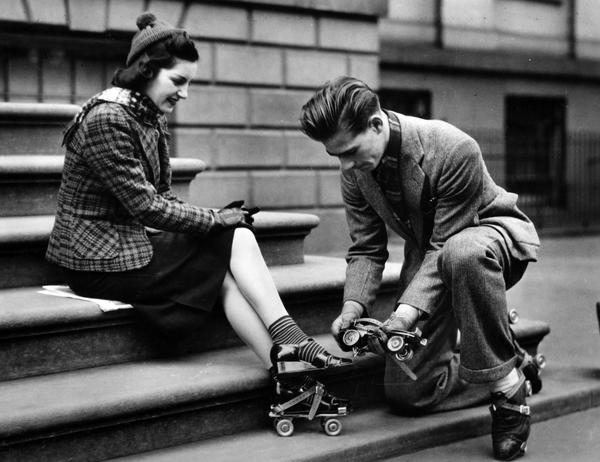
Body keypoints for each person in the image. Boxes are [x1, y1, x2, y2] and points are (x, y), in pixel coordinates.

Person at [46, 13, 350, 385]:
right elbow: (146, 206)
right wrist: (213, 221)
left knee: (230, 251)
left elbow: (163, 195)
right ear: (146, 71)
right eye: (177, 81)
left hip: (127, 245)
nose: (184, 93)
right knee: (229, 245)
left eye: (188, 83)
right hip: (97, 261)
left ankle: (285, 368)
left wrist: (214, 220)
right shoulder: (107, 119)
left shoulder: (148, 115)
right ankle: (289, 345)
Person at [299, 76, 541, 460]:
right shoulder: (356, 171)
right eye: (336, 156)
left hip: (487, 243)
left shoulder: (452, 146)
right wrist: (353, 308)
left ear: (376, 124)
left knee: (461, 254)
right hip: (431, 260)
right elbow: (366, 247)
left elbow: (447, 243)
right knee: (409, 392)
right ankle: (513, 362)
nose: (345, 165)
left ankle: (508, 396)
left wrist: (403, 314)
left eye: (350, 151)